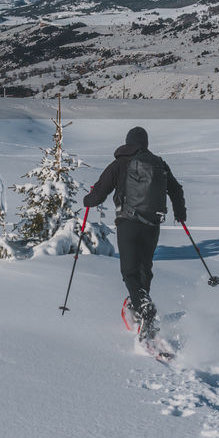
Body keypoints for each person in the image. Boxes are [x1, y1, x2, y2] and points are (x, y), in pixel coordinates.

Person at [83, 126, 186, 340]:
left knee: (129, 271)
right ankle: (139, 305)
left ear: (128, 142)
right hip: (152, 224)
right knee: (144, 268)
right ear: (146, 143)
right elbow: (176, 189)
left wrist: (88, 200)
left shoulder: (120, 163)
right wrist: (180, 213)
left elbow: (100, 193)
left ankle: (144, 309)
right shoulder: (159, 163)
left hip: (128, 222)